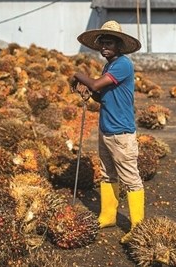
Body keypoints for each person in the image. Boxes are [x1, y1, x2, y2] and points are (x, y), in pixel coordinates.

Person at [70, 20, 144, 244]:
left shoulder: (123, 64)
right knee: (107, 174)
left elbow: (94, 84)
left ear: (119, 46)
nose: (105, 47)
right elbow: (100, 94)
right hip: (107, 129)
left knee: (130, 179)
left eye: (109, 43)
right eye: (102, 43)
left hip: (121, 132)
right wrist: (88, 92)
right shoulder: (109, 66)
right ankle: (108, 216)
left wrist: (77, 75)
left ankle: (138, 227)